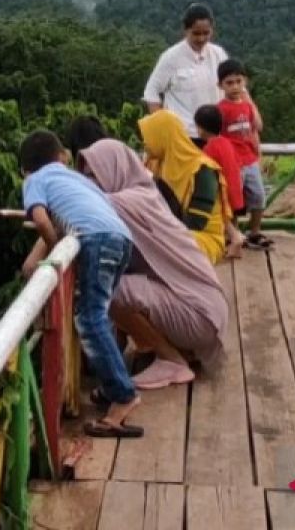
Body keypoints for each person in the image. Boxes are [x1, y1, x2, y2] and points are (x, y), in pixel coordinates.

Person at [18, 130, 142, 438]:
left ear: (24, 169)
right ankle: (110, 385)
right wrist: (34, 265)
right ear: (62, 156)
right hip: (121, 239)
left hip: (96, 242)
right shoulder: (76, 180)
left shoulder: (34, 180)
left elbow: (43, 221)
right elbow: (68, 217)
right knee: (97, 314)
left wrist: (54, 252)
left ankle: (123, 396)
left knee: (89, 318)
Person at [80, 140, 228, 390]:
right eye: (85, 177)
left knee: (107, 290)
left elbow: (79, 204)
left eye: (94, 175)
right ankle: (172, 349)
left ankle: (170, 359)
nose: (89, 183)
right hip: (203, 309)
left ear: (115, 169)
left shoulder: (129, 201)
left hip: (199, 315)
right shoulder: (145, 192)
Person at [138, 110, 229, 264]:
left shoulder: (202, 170)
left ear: (163, 136)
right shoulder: (155, 163)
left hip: (200, 238)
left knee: (160, 245)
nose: (144, 143)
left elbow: (196, 223)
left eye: (148, 137)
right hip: (167, 231)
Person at [142, 3, 228, 139]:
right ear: (185, 30)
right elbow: (151, 93)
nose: (201, 38)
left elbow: (235, 86)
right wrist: (163, 128)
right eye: (196, 33)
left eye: (206, 33)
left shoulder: (219, 54)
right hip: (183, 135)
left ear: (212, 30)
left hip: (216, 134)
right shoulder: (171, 57)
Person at [216, 59, 272, 248]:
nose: (235, 86)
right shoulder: (220, 109)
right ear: (220, 85)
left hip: (250, 160)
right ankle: (234, 233)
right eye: (229, 83)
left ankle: (254, 232)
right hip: (232, 162)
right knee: (233, 200)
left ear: (245, 82)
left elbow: (257, 127)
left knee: (258, 196)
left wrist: (258, 153)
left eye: (239, 81)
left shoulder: (247, 106)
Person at [194, 104, 246, 259]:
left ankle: (236, 239)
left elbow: (207, 170)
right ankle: (235, 243)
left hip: (223, 189)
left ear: (201, 129)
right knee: (228, 218)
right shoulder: (225, 142)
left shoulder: (209, 148)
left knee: (223, 216)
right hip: (235, 184)